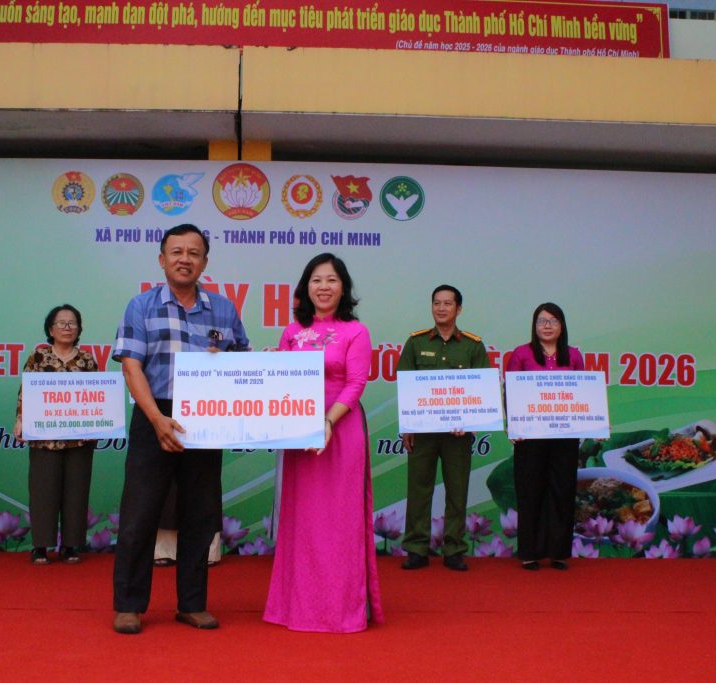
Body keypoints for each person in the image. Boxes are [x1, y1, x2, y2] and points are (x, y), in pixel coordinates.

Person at [111, 223, 249, 635]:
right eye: (176, 252)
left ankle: (192, 604)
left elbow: (244, 364)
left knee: (200, 516)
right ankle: (129, 605)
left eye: (193, 253)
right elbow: (131, 366)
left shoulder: (223, 309)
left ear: (204, 262)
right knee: (140, 514)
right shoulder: (141, 306)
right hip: (154, 414)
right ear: (162, 259)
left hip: (206, 419)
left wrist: (224, 362)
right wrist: (157, 419)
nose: (184, 259)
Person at [264, 252, 384, 633]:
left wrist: (328, 421)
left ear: (343, 287)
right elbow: (282, 380)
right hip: (300, 435)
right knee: (303, 521)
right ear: (306, 287)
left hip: (340, 430)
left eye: (331, 279)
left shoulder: (356, 331)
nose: (324, 287)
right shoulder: (291, 332)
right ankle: (297, 607)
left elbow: (356, 382)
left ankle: (341, 608)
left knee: (339, 521)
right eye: (316, 280)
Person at [396, 285, 490, 571]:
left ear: (458, 309)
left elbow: (482, 389)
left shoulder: (473, 346)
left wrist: (470, 422)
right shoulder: (415, 343)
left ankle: (454, 549)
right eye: (436, 303)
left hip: (457, 435)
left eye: (448, 303)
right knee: (418, 490)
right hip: (422, 433)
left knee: (457, 491)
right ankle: (416, 548)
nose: (441, 308)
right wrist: (407, 426)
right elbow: (405, 385)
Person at [13, 304, 97, 565]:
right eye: (61, 323)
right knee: (43, 491)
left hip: (79, 439)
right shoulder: (38, 357)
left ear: (79, 329)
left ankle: (70, 545)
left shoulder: (87, 360)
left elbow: (97, 396)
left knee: (76, 491)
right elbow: (25, 391)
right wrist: (20, 419)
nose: (67, 328)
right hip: (44, 438)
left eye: (72, 323)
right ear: (50, 329)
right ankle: (40, 546)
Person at [504, 302, 585, 571]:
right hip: (530, 438)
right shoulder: (522, 354)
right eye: (541, 321)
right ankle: (530, 552)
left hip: (565, 436)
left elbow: (583, 393)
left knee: (562, 491)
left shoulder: (574, 356)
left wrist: (593, 424)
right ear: (534, 325)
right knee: (530, 492)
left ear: (562, 326)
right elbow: (510, 391)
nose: (547, 326)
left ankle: (559, 552)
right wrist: (513, 425)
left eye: (553, 321)